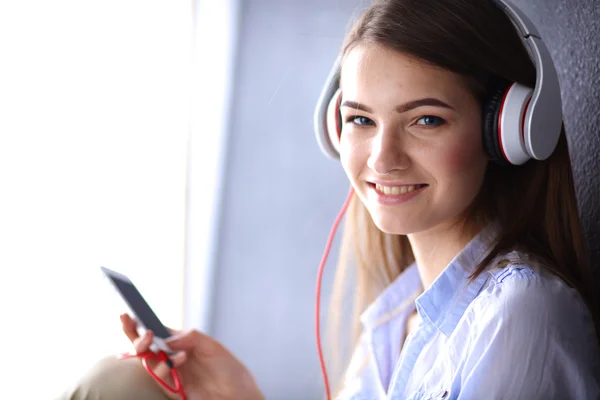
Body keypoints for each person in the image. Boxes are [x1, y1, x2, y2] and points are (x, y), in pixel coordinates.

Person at [58, 0, 600, 399]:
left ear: (505, 130)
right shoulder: (398, 317)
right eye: (361, 119)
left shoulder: (519, 314)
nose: (383, 157)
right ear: (335, 128)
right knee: (128, 380)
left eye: (425, 120)